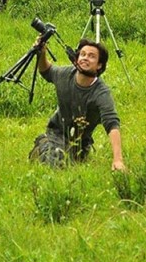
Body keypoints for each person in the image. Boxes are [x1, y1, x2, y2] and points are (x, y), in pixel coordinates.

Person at [29, 37, 126, 172]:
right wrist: (42, 53)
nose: (85, 58)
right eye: (83, 54)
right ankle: (43, 144)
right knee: (55, 161)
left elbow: (112, 124)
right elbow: (47, 71)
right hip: (56, 133)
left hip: (81, 143)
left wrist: (118, 160)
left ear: (99, 65)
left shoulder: (101, 93)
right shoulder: (64, 74)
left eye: (92, 56)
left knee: (71, 164)